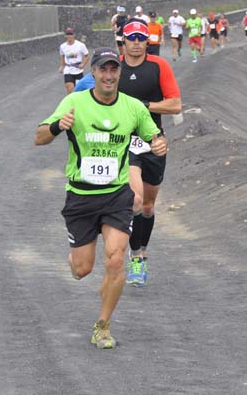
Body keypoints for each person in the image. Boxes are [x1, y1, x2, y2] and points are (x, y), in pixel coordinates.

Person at [35, 47, 167, 349]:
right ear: (93, 72)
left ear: (119, 72)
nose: (108, 75)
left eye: (113, 69)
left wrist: (159, 144)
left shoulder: (133, 107)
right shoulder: (74, 102)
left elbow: (154, 136)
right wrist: (57, 126)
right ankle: (76, 258)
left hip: (116, 195)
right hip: (81, 196)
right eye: (103, 69)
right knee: (82, 269)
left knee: (116, 259)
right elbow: (39, 137)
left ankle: (103, 326)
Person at [117, 20, 182, 287]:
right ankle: (135, 258)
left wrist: (144, 106)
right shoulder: (113, 67)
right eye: (131, 38)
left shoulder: (159, 66)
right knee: (135, 200)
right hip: (124, 143)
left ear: (147, 41)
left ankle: (143, 250)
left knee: (147, 206)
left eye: (140, 38)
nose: (136, 43)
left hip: (153, 142)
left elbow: (175, 105)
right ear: (122, 40)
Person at [57, 27, 89, 94]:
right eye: (68, 34)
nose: (69, 36)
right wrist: (62, 65)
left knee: (78, 92)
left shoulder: (80, 45)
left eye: (71, 34)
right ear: (65, 36)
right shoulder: (62, 46)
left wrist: (83, 64)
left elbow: (86, 55)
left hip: (78, 70)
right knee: (70, 89)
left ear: (74, 35)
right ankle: (71, 100)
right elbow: (62, 55)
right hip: (68, 70)